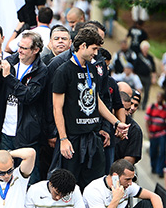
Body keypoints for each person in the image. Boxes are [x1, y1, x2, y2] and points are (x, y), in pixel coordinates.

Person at [51, 27, 129, 188]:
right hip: (72, 139)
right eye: (94, 49)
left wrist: (116, 123)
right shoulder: (63, 71)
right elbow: (57, 108)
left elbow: (97, 100)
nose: (96, 53)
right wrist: (63, 139)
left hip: (93, 139)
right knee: (68, 186)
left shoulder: (92, 69)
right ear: (83, 46)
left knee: (95, 186)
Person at [0, 31, 49, 184]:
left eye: (24, 48)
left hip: (27, 132)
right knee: (4, 174)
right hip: (5, 129)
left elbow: (29, 96)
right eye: (19, 47)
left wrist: (8, 77)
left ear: (35, 50)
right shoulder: (9, 62)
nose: (20, 51)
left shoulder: (41, 70)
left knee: (29, 178)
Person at [145, 92, 166, 177]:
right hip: (153, 133)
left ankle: (161, 170)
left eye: (161, 97)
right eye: (158, 97)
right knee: (153, 151)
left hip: (162, 132)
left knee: (162, 151)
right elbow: (147, 121)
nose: (159, 99)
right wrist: (148, 133)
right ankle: (154, 166)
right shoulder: (152, 107)